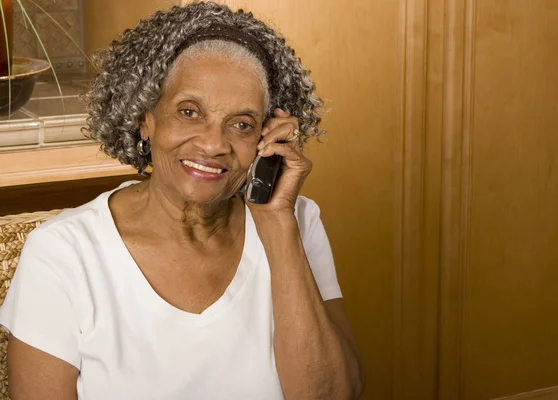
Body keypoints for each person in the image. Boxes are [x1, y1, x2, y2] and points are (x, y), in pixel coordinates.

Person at [0, 2, 364, 399]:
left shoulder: (296, 222)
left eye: (241, 124)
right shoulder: (63, 253)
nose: (213, 143)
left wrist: (277, 224)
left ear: (267, 136)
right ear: (146, 120)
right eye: (189, 112)